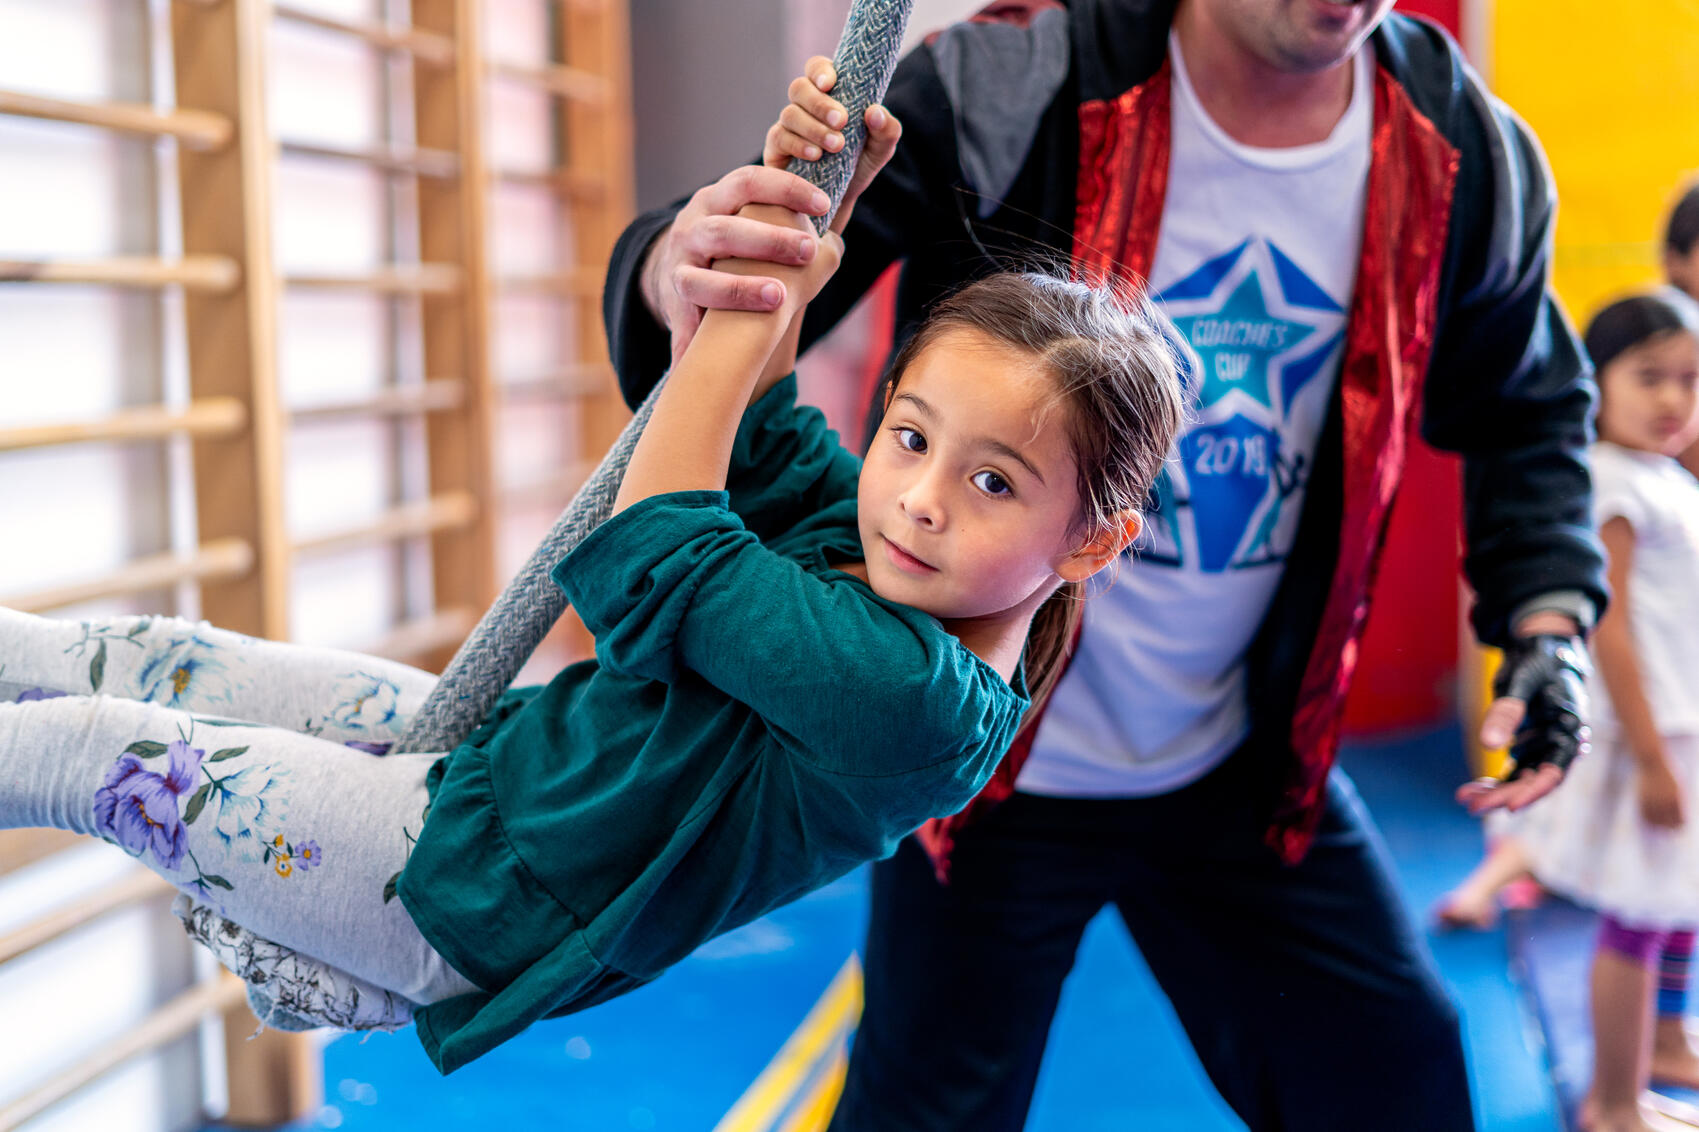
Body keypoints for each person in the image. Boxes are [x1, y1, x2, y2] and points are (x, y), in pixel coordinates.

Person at [0, 106, 1190, 1075]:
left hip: (458, 890)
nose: (922, 498)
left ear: (1091, 542)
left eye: (993, 479)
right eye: (909, 436)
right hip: (483, 777)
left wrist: (759, 296)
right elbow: (759, 432)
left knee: (102, 752)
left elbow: (662, 543)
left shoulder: (915, 702)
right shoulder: (878, 540)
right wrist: (795, 212)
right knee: (158, 658)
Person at [602, 1, 1606, 1127]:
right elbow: (754, 292)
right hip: (976, 760)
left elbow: (1528, 407)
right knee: (925, 1111)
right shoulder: (1012, 80)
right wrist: (674, 268)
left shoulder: (1455, 145)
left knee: (1396, 1082)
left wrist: (1545, 622)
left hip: (1241, 750)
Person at [1458, 293, 1699, 1132]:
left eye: (1689, 381)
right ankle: (1611, 1104)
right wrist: (1653, 758)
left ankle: (1664, 1044)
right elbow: (1614, 634)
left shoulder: (1665, 475)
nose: (1672, 400)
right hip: (1648, 742)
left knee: (1674, 906)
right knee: (1636, 921)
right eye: (1649, 378)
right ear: (1595, 382)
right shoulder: (1607, 483)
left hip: (1675, 737)